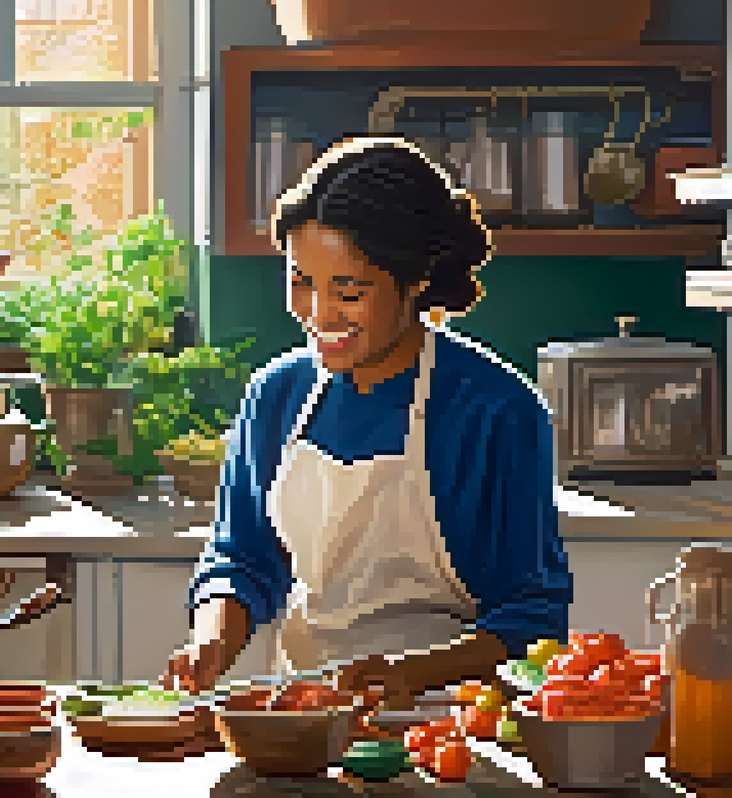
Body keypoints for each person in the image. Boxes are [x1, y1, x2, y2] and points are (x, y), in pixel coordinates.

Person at [162, 137, 573, 709]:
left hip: (453, 724)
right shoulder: (277, 394)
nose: (320, 313)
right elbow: (244, 559)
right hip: (304, 716)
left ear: (417, 281)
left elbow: (533, 616)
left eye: (348, 291)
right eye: (302, 280)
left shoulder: (496, 409)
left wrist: (407, 675)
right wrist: (210, 642)